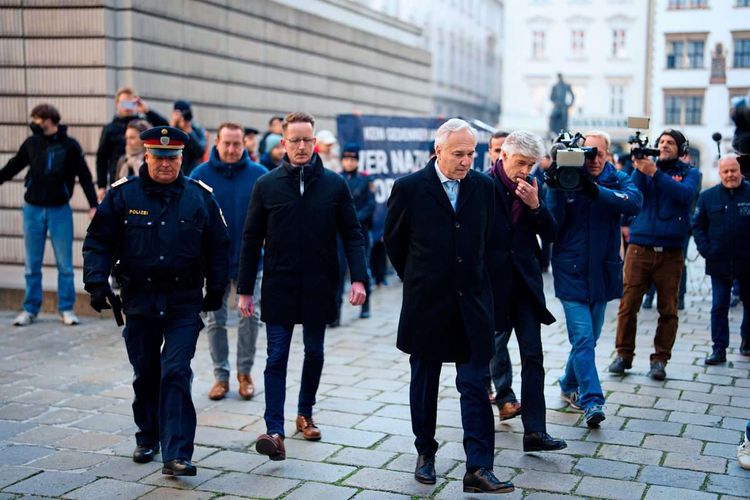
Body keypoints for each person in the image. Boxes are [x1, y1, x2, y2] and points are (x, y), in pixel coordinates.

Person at [82, 126, 229, 476]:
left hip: (182, 301)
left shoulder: (199, 197)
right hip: (140, 300)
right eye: (159, 157)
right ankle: (148, 435)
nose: (166, 164)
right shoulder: (123, 196)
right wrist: (96, 282)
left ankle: (177, 454)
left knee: (176, 371)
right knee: (146, 373)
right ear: (146, 156)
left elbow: (219, 246)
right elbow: (98, 242)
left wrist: (217, 289)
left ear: (182, 159)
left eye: (173, 158)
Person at [384, 119, 514, 494]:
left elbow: (493, 242)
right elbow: (394, 242)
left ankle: (479, 468)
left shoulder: (484, 187)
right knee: (424, 384)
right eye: (458, 154)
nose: (466, 161)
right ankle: (425, 452)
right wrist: (420, 277)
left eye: (471, 153)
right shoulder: (409, 188)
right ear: (438, 151)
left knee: (475, 385)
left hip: (472, 304)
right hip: (427, 303)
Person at [237, 112, 368, 461]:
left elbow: (353, 234)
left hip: (319, 284)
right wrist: (245, 289)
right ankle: (274, 430)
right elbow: (250, 240)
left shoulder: (334, 185)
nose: (300, 146)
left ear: (315, 143)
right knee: (276, 355)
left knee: (315, 352)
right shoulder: (266, 185)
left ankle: (305, 413)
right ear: (283, 143)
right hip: (279, 284)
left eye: (306, 140)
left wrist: (358, 277)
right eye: (294, 140)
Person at [547, 131, 642, 426]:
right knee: (584, 338)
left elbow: (633, 203)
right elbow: (552, 226)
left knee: (591, 338)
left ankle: (566, 383)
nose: (595, 159)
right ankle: (592, 401)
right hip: (570, 271)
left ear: (609, 153)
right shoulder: (567, 177)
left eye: (600, 153)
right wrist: (555, 186)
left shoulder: (618, 178)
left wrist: (594, 190)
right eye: (589, 153)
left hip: (602, 271)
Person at [486, 130, 566, 451]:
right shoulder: (482, 186)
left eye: (531, 165)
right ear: (502, 156)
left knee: (533, 356)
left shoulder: (535, 186)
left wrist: (535, 206)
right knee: (485, 352)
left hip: (526, 285)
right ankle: (486, 412)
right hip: (492, 286)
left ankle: (535, 431)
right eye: (520, 163)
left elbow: (550, 232)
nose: (525, 171)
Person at [610, 129, 701, 380]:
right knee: (628, 305)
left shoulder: (691, 174)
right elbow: (632, 195)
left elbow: (683, 195)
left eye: (670, 142)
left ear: (681, 149)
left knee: (668, 309)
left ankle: (660, 359)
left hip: (671, 251)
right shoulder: (645, 169)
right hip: (639, 248)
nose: (664, 145)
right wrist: (640, 168)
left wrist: (655, 173)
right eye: (661, 142)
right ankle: (623, 355)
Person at [1, 102, 99, 326]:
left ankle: (66, 309)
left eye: (37, 120)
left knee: (64, 264)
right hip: (32, 209)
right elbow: (13, 166)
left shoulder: (70, 146)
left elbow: (84, 176)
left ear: (49, 121)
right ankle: (30, 309)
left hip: (59, 211)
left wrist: (94, 204)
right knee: (31, 264)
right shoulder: (32, 143)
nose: (33, 124)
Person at [190, 123, 268, 400]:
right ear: (217, 144)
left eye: (237, 144)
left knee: (251, 317)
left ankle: (244, 373)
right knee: (215, 319)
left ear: (244, 144)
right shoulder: (200, 176)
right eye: (227, 144)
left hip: (251, 261)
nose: (233, 149)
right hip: (214, 262)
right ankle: (220, 376)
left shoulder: (260, 176)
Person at [692, 154, 750, 364]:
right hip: (719, 262)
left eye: (733, 170)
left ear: (740, 170)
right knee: (719, 306)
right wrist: (707, 249)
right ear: (720, 173)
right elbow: (697, 225)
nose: (730, 175)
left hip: (747, 261)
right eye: (725, 171)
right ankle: (719, 349)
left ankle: (747, 340)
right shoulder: (708, 197)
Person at [95, 87, 168, 200]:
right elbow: (101, 158)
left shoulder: (144, 125)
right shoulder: (110, 129)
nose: (127, 107)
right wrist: (101, 185)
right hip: (118, 177)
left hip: (143, 178)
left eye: (130, 103)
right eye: (124, 103)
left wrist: (147, 110)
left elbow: (165, 130)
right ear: (117, 104)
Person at [331, 142, 375, 325]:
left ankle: (365, 305)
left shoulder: (366, 180)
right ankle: (335, 314)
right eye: (346, 159)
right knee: (337, 272)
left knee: (362, 269)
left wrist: (353, 220)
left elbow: (370, 205)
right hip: (339, 235)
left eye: (352, 159)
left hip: (359, 232)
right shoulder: (336, 179)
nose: (349, 162)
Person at [171, 100, 207, 176]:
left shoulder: (196, 129)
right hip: (174, 174)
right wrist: (173, 127)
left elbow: (200, 152)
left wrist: (189, 132)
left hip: (191, 173)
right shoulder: (171, 129)